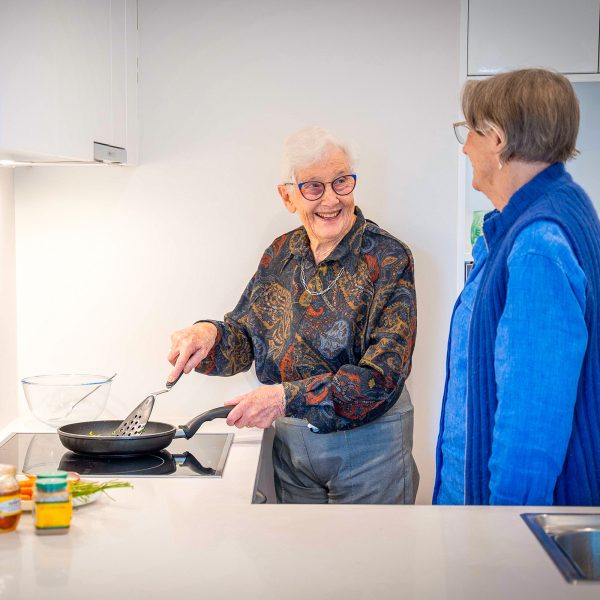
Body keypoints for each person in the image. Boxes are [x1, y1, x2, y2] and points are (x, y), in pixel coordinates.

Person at [168, 126, 418, 504]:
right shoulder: (281, 252)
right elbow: (245, 338)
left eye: (341, 182)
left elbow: (380, 378)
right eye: (313, 187)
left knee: (369, 561)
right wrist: (208, 335)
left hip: (369, 445)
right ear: (287, 196)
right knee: (301, 558)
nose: (331, 199)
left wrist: (285, 398)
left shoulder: (389, 258)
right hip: (292, 447)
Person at [434, 69, 600, 506]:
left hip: (503, 526)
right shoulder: (551, 211)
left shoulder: (536, 245)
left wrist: (501, 536)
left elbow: (532, 422)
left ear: (498, 139)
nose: (466, 146)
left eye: (469, 130)